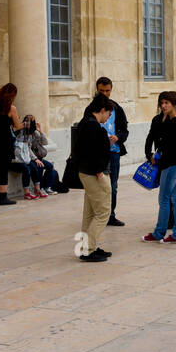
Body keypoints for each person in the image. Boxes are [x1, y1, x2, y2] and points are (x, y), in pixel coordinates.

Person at [143, 91, 176, 242]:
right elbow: (156, 138)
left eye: (166, 103)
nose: (163, 106)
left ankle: (159, 233)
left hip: (173, 164)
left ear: (174, 104)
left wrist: (162, 158)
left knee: (164, 199)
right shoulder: (167, 119)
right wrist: (152, 154)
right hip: (174, 163)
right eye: (161, 103)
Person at [75, 93, 114, 262]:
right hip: (94, 174)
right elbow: (93, 151)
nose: (108, 117)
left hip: (85, 172)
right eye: (109, 114)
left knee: (90, 214)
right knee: (103, 212)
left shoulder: (86, 122)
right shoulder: (93, 126)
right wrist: (99, 170)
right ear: (103, 110)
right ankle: (88, 250)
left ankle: (87, 247)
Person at [94, 77, 129, 227]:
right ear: (97, 89)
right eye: (101, 90)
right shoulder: (91, 109)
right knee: (97, 185)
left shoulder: (117, 108)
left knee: (112, 186)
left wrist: (118, 137)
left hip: (113, 152)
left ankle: (110, 215)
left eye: (107, 91)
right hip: (97, 152)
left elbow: (125, 131)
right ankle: (97, 214)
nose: (104, 93)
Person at [20, 115, 59, 197]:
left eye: (30, 121)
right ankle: (39, 188)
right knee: (39, 166)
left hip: (38, 157)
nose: (28, 122)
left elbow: (45, 142)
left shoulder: (34, 133)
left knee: (50, 166)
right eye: (26, 120)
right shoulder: (23, 133)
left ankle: (45, 187)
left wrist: (40, 131)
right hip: (30, 158)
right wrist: (36, 159)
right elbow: (27, 149)